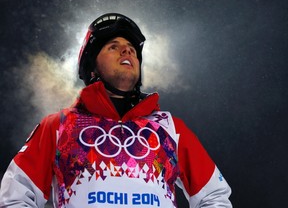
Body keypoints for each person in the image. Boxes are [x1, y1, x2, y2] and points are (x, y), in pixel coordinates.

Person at [0, 13, 232, 207]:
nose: (127, 52)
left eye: (131, 48)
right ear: (92, 67)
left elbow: (215, 196)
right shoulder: (58, 125)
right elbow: (16, 196)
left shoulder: (170, 128)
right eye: (114, 47)